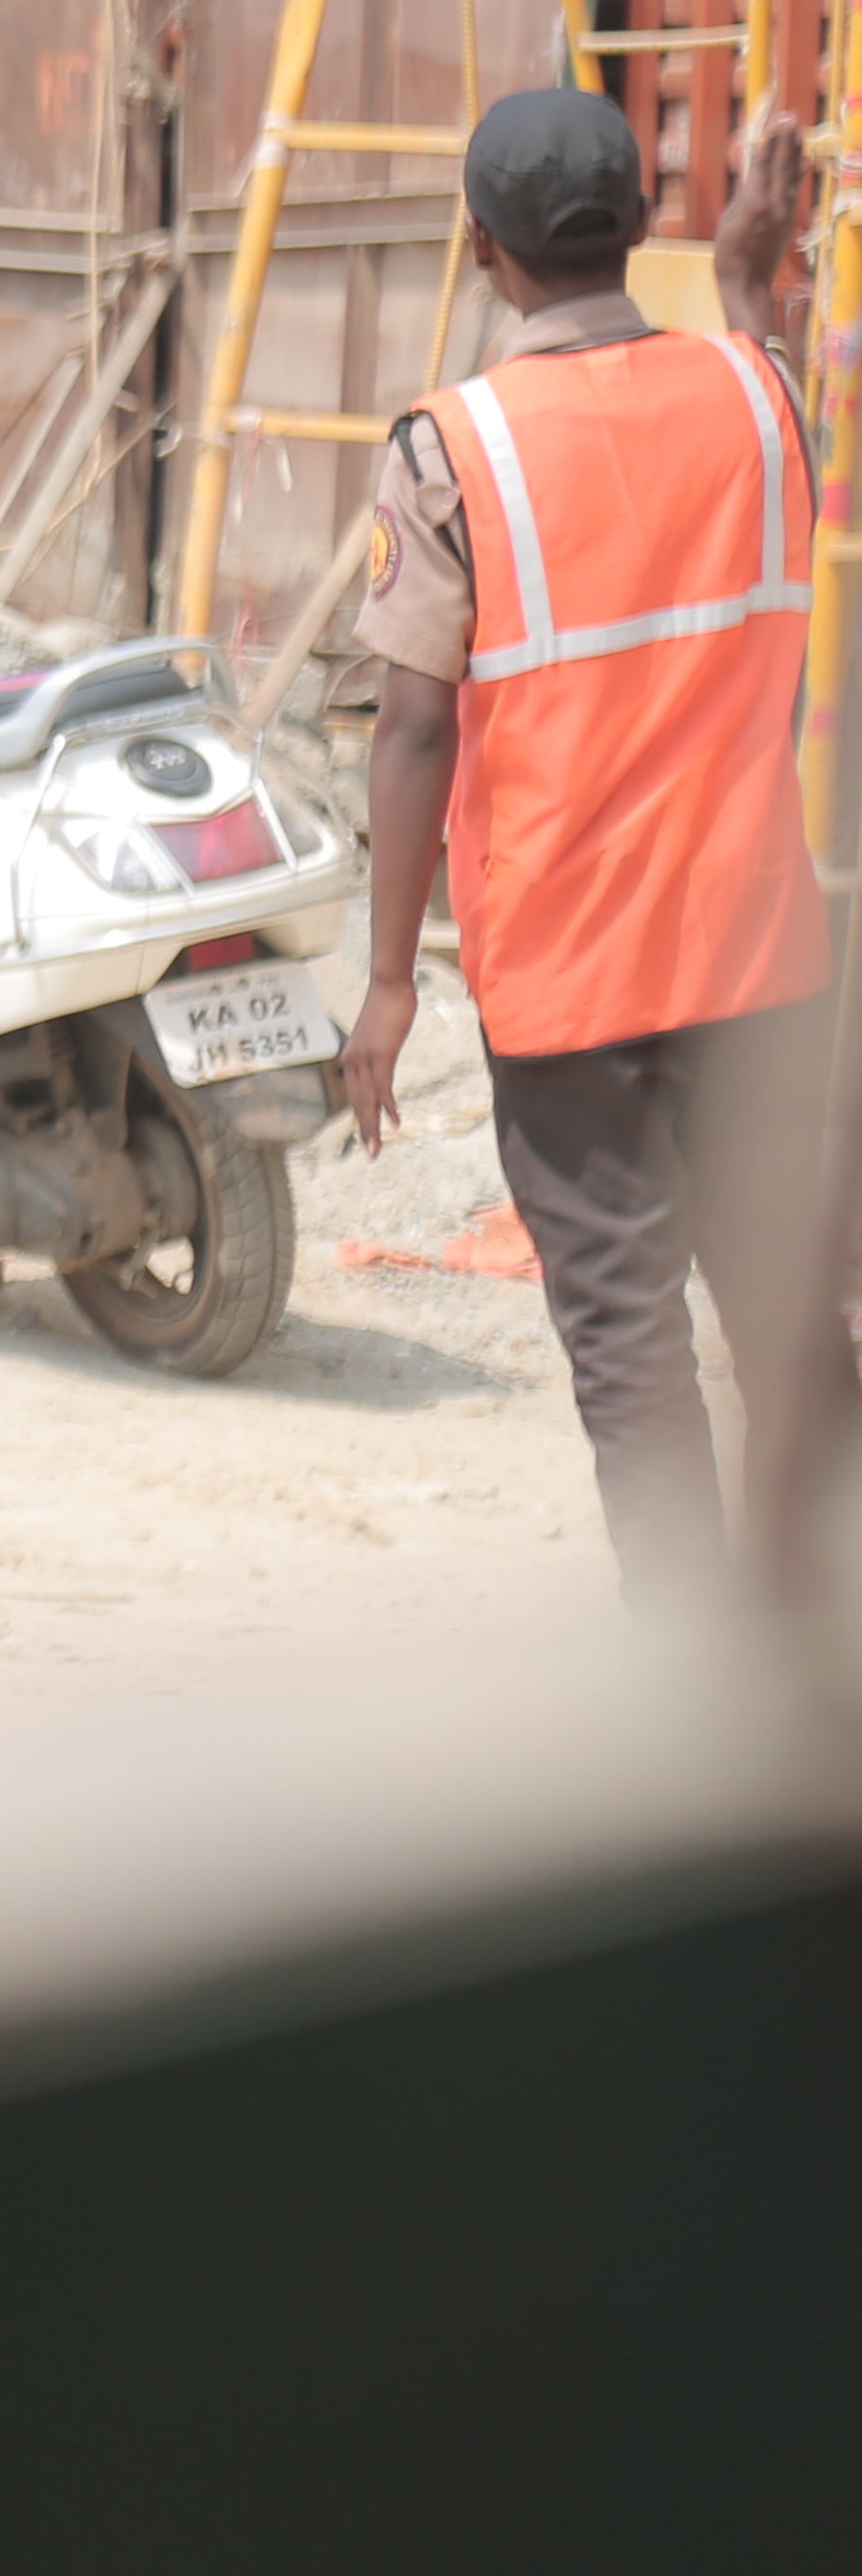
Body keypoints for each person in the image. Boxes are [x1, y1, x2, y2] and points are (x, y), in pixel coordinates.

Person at [340, 87, 847, 1598]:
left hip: (572, 983)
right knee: (792, 1320)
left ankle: (694, 1700)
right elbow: (761, 368)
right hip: (760, 955)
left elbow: (415, 729)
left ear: (479, 246)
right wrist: (753, 274)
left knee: (631, 1352)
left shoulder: (455, 450)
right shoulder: (759, 397)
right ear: (642, 224)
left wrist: (387, 982)